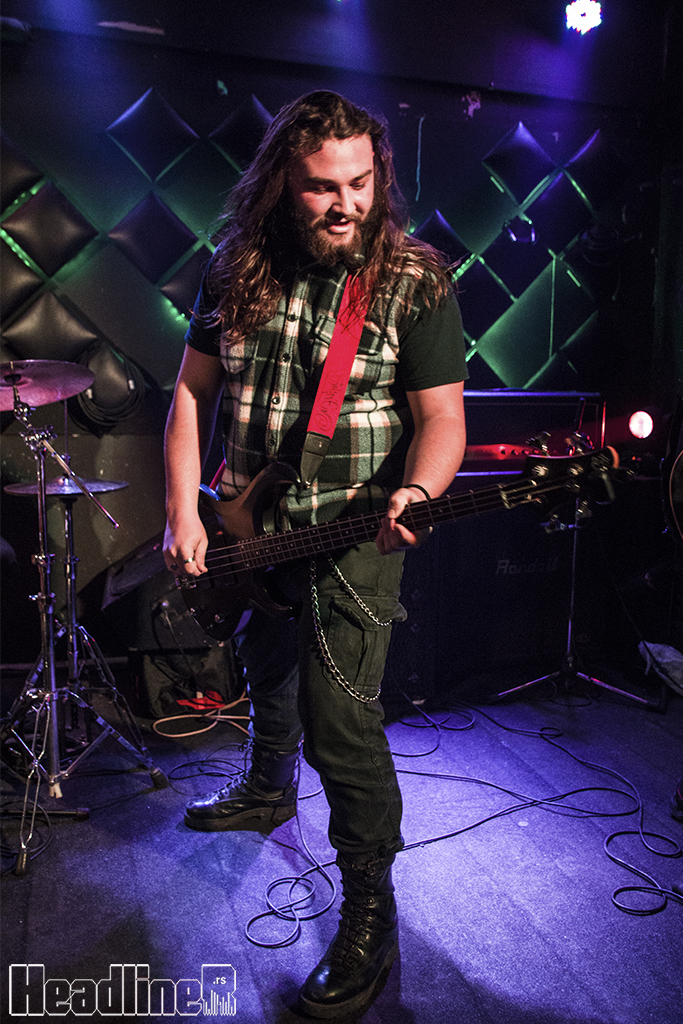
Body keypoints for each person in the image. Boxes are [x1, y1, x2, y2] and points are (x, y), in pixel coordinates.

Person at [163, 90, 467, 1018]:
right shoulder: (235, 268)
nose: (346, 204)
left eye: (361, 183)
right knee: (265, 663)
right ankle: (266, 787)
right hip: (249, 523)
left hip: (355, 528)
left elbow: (442, 418)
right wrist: (182, 510)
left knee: (341, 724)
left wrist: (420, 493)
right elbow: (190, 394)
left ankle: (370, 911)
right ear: (279, 185)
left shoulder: (412, 282)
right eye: (322, 187)